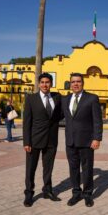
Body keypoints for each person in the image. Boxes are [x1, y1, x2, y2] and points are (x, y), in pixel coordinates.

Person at [62, 73, 103, 207]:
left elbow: (98, 121)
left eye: (78, 81)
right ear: (70, 84)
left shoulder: (92, 98)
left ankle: (87, 194)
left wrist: (97, 138)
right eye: (73, 82)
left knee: (87, 169)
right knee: (73, 169)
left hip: (87, 141)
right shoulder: (65, 99)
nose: (75, 84)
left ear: (82, 83)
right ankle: (76, 193)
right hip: (70, 141)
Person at [23, 73, 62, 207]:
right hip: (34, 140)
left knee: (48, 168)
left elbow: (62, 114)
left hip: (51, 140)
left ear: (51, 84)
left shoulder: (57, 97)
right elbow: (26, 122)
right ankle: (29, 193)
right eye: (43, 82)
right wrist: (26, 142)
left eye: (47, 82)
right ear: (39, 84)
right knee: (30, 168)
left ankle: (47, 190)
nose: (45, 85)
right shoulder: (31, 99)